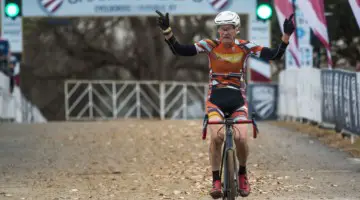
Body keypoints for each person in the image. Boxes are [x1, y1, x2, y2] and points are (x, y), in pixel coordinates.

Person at [155, 10, 295, 199]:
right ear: (218, 31)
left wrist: (286, 36)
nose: (225, 32)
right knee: (217, 137)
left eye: (229, 29)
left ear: (237, 30)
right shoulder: (209, 46)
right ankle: (216, 180)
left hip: (238, 102)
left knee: (241, 140)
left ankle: (243, 173)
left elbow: (274, 55)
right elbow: (180, 50)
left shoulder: (245, 47)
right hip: (216, 102)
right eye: (222, 29)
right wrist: (167, 31)